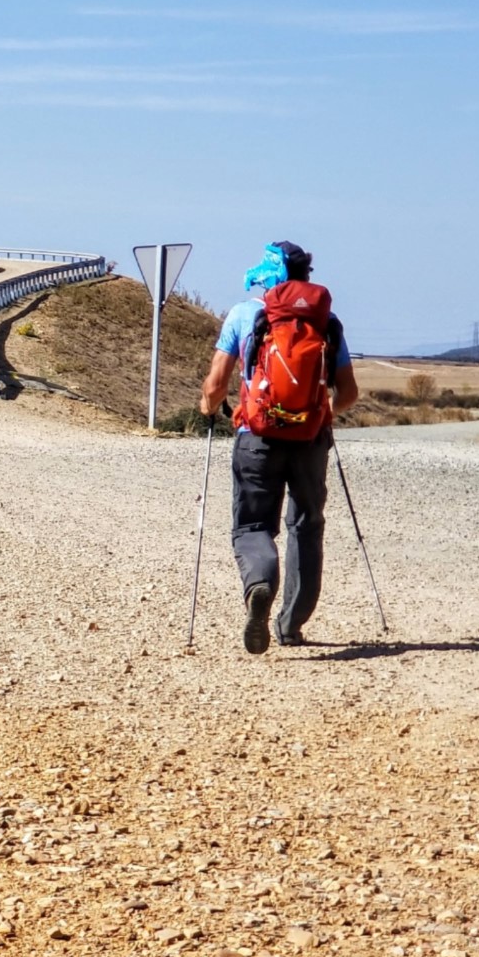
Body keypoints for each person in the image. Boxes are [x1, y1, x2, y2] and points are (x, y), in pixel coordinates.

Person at [198, 241, 358, 653]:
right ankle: (291, 625)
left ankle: (260, 584)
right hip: (309, 441)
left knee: (253, 525)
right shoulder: (327, 321)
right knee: (306, 527)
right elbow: (349, 392)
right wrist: (323, 415)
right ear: (305, 276)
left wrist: (208, 406)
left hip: (256, 438)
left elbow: (216, 385)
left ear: (267, 277)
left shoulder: (243, 314)